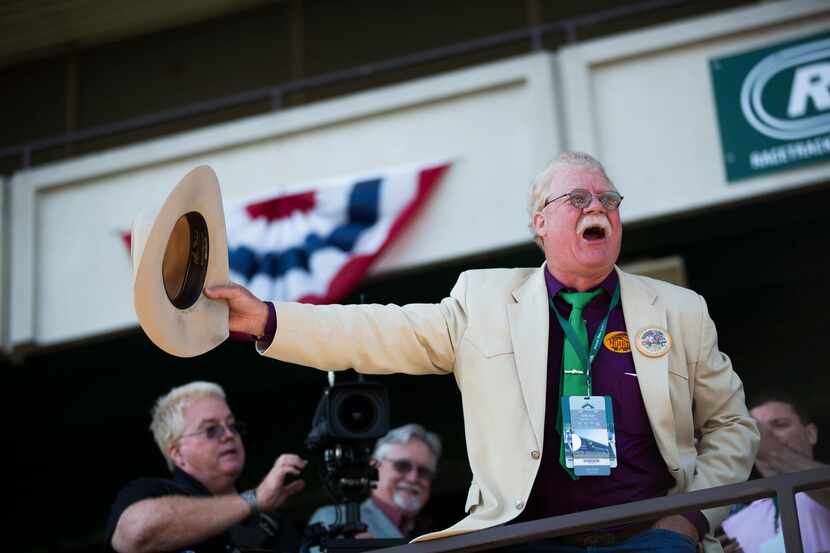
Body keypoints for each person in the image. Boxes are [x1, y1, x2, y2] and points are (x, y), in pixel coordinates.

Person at [205, 151, 759, 552]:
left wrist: (687, 518)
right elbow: (377, 330)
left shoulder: (679, 310)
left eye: (608, 199)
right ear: (539, 222)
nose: (600, 207)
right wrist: (268, 318)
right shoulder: (484, 299)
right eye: (579, 198)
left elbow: (732, 425)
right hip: (532, 538)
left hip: (653, 537)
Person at [105, 381, 307, 553]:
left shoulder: (272, 522)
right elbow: (135, 532)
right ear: (177, 453)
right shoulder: (151, 492)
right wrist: (253, 500)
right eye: (211, 430)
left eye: (232, 425)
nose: (229, 435)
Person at [721, 391, 830, 553]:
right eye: (755, 433)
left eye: (779, 424)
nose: (762, 438)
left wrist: (773, 451)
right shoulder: (732, 524)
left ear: (810, 434)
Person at [308, 423, 442, 539]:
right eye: (402, 466)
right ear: (374, 466)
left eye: (424, 472)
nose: (413, 478)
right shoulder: (334, 519)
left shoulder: (437, 534)